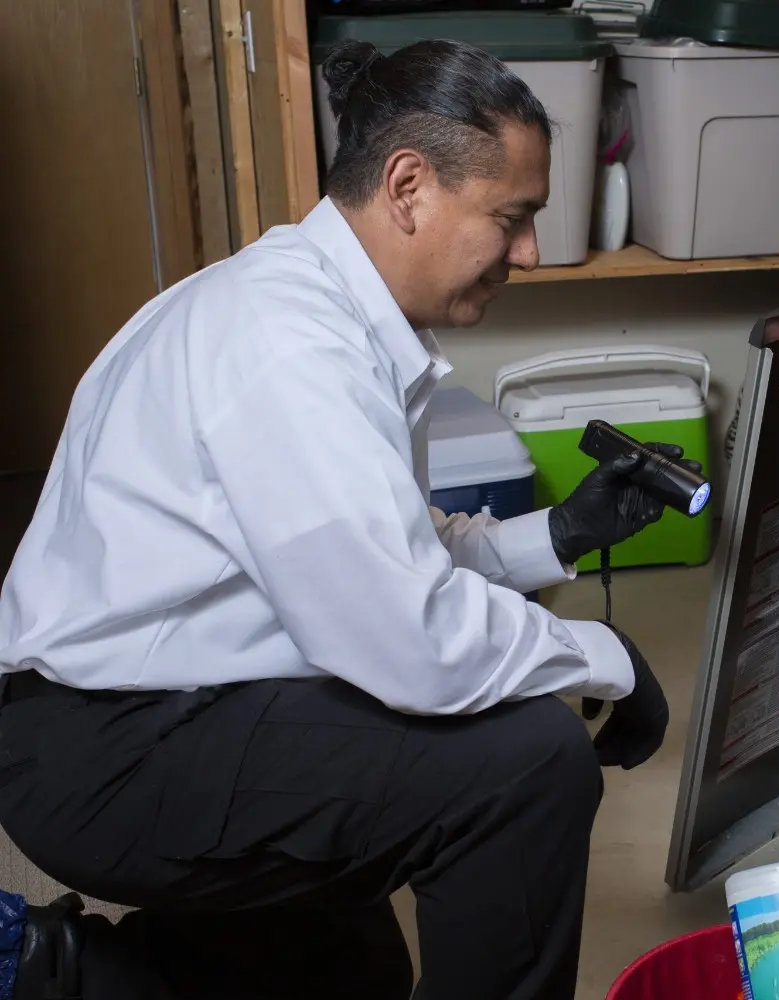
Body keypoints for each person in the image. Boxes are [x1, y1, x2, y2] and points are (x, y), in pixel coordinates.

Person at [0, 38, 686, 1000]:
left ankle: (97, 978)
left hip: (179, 703)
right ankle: (49, 976)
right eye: (513, 217)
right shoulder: (286, 344)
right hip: (115, 744)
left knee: (353, 971)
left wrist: (557, 534)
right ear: (409, 186)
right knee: (524, 766)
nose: (528, 250)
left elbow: (381, 556)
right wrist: (601, 658)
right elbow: (405, 635)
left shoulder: (306, 309)